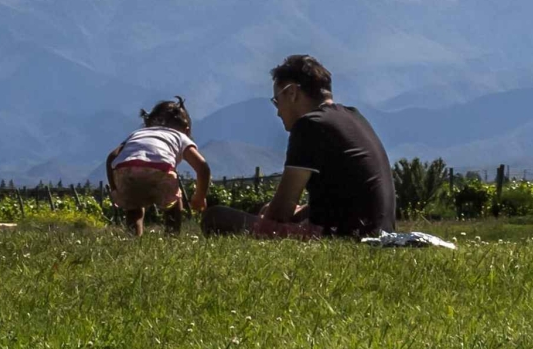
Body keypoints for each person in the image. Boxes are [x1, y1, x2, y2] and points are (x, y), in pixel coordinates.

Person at [202, 55, 395, 240]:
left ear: (292, 92)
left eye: (277, 101)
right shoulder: (354, 117)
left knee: (216, 216)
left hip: (341, 234)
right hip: (378, 230)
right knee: (271, 211)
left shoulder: (310, 125)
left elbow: (280, 211)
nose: (277, 112)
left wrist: (270, 216)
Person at [106, 96, 211, 237]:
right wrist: (199, 197)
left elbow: (112, 157)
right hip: (160, 170)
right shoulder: (180, 136)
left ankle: (132, 239)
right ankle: (171, 237)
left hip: (126, 169)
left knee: (133, 209)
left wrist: (114, 188)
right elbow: (203, 168)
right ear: (186, 130)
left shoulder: (138, 133)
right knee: (173, 206)